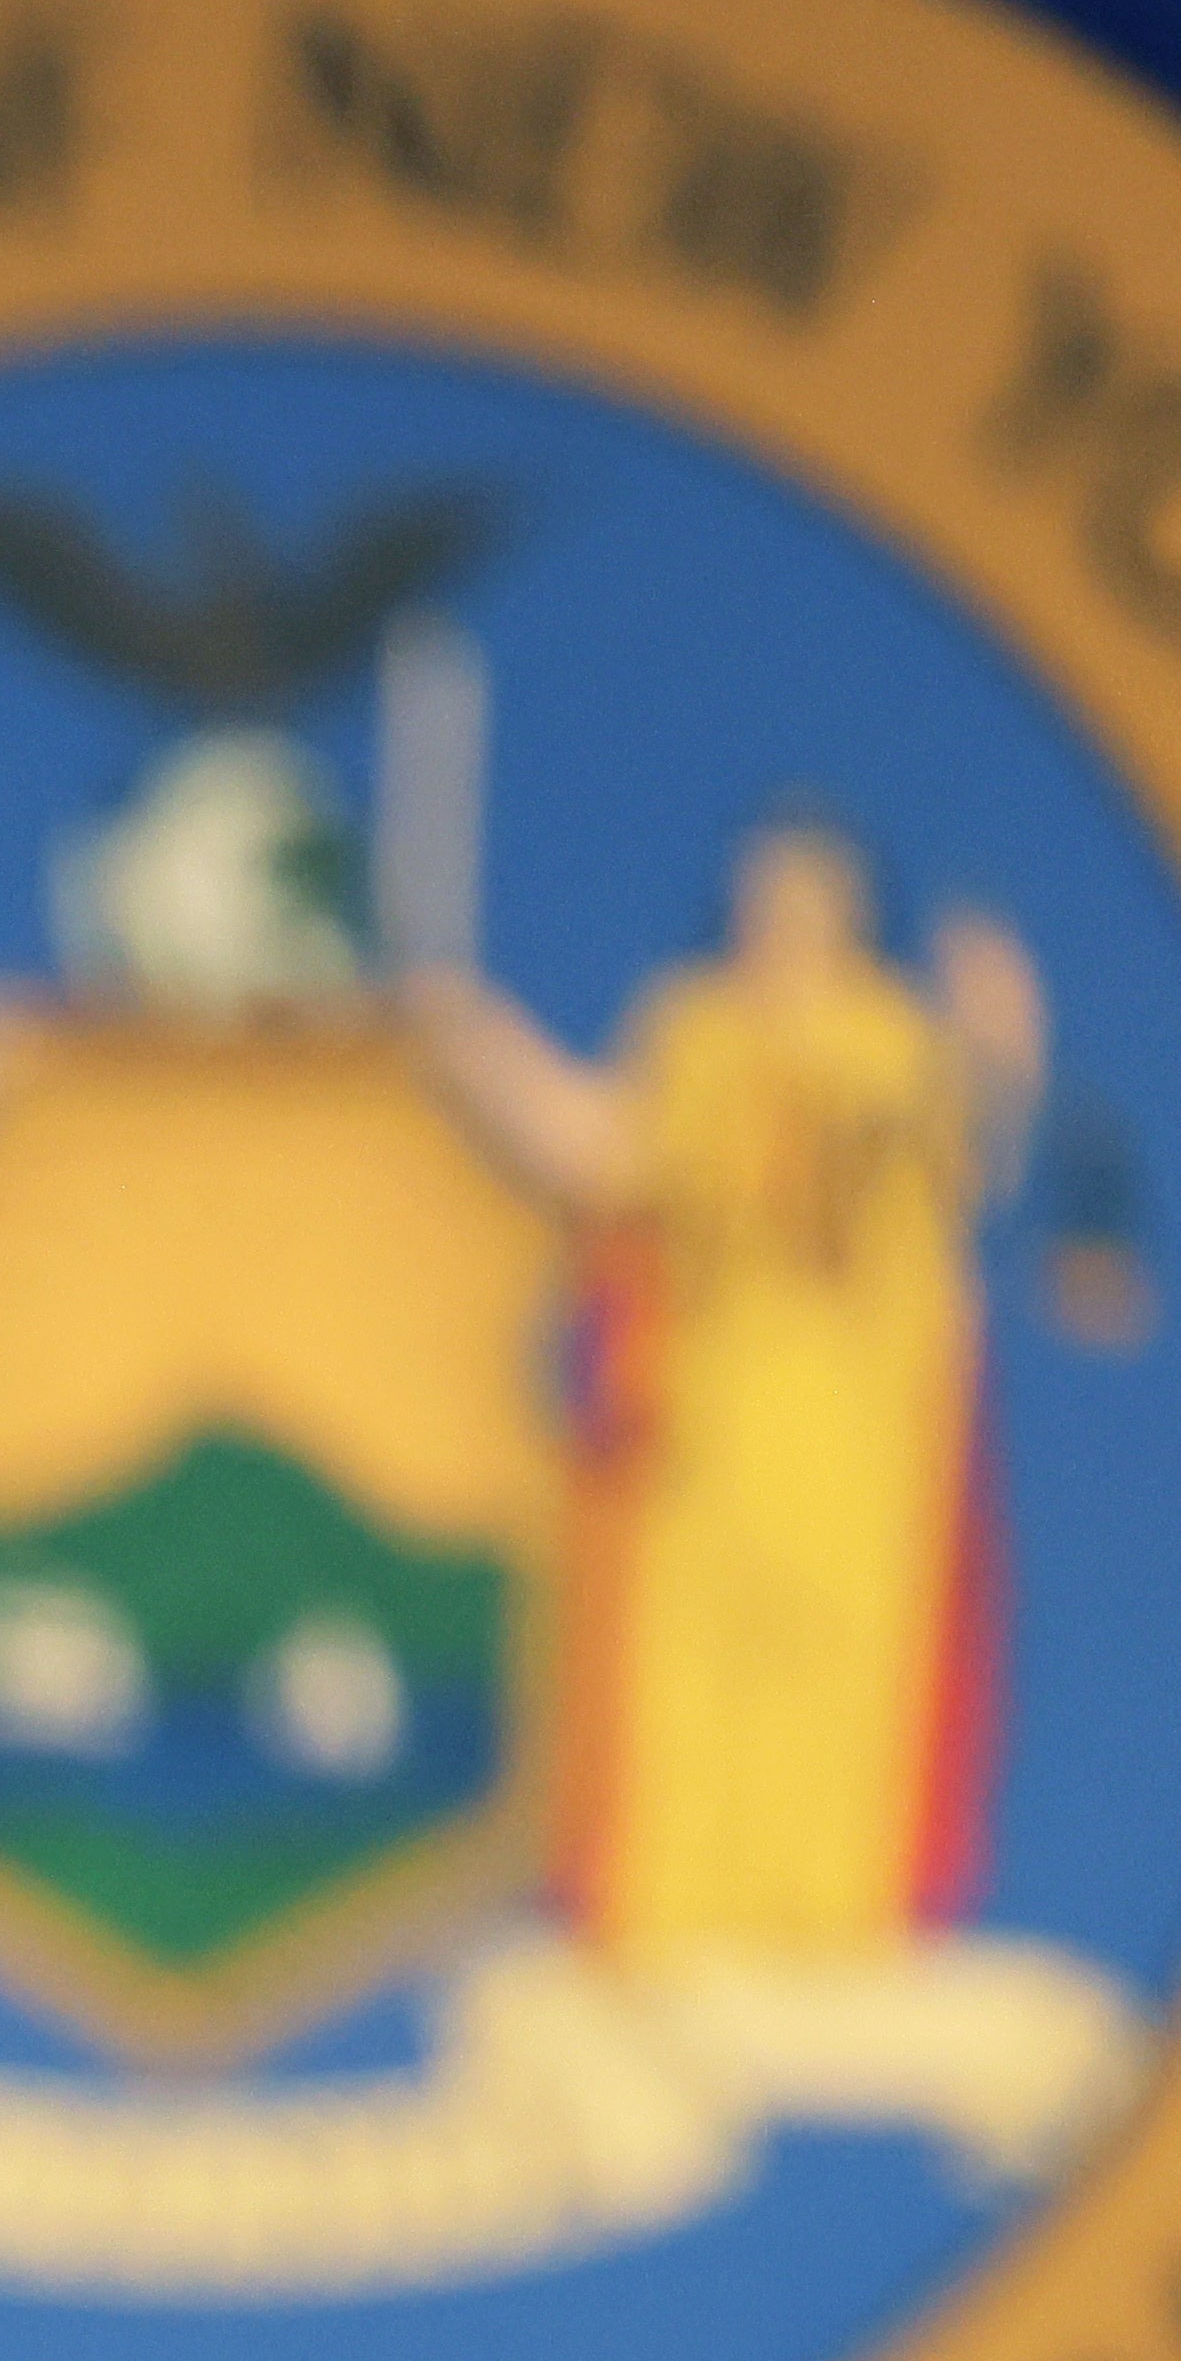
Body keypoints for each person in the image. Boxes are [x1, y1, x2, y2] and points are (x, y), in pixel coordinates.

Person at [415, 815, 1046, 1959]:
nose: (784, 922)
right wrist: (476, 1045)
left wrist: (997, 1029)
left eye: (809, 899)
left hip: (856, 1423)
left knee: (844, 1650)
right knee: (692, 1654)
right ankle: (672, 1918)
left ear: (854, 918)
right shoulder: (691, 1032)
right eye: (764, 899)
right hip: (708, 1409)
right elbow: (602, 1152)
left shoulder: (893, 1044)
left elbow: (980, 1128)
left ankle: (826, 1921)